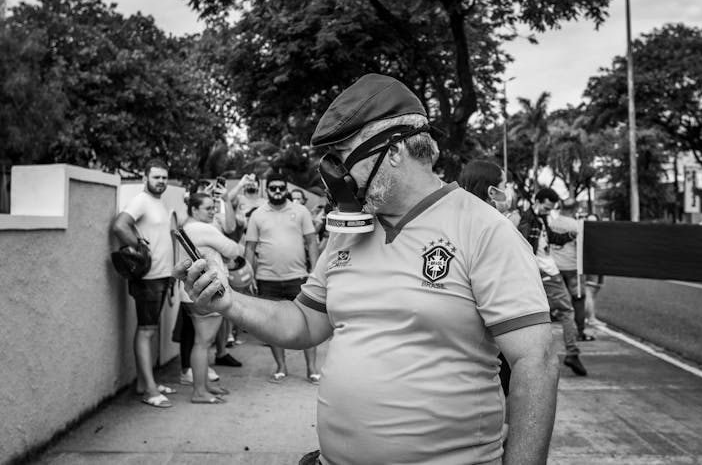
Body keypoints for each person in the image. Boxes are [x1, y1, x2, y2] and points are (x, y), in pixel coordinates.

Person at [175, 73, 559, 464]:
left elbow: (535, 361)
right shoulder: (349, 232)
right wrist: (228, 302)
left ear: (393, 150)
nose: (335, 177)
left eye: (343, 158)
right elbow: (304, 322)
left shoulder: (483, 229)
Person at [244, 172, 321, 383]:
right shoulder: (257, 214)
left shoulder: (301, 211)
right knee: (273, 326)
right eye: (273, 188)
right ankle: (281, 366)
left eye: (281, 187)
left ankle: (312, 369)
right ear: (266, 190)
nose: (277, 191)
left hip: (298, 276)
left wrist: (314, 271)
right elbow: (249, 247)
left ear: (286, 189)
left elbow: (311, 242)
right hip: (267, 278)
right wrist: (248, 274)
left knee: (308, 324)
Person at [112, 159, 176, 408]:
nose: (161, 181)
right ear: (145, 177)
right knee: (146, 330)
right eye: (156, 177)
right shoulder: (140, 200)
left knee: (150, 330)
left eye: (164, 177)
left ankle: (144, 383)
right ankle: (150, 391)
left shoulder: (158, 202)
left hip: (161, 276)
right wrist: (139, 248)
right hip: (147, 278)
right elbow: (120, 225)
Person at [457, 158, 519, 396]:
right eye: (506, 184)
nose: (509, 190)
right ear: (493, 191)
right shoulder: (497, 228)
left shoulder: (451, 221)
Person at [518, 187, 588, 376]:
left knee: (539, 311)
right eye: (547, 208)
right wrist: (536, 271)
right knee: (566, 310)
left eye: (551, 209)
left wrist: (569, 236)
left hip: (547, 269)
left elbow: (550, 239)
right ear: (537, 201)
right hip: (546, 271)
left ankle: (533, 355)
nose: (549, 212)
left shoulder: (541, 219)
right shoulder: (528, 219)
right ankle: (571, 352)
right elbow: (523, 246)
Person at [180, 192, 240, 403]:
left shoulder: (188, 228)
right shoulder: (202, 228)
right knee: (203, 343)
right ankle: (199, 391)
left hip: (193, 293)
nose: (213, 212)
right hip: (206, 292)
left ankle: (204, 386)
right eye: (208, 208)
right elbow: (233, 249)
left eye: (214, 207)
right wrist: (222, 249)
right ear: (194, 209)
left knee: (202, 341)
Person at [548, 198, 594, 341]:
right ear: (575, 209)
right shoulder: (576, 225)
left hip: (554, 267)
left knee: (554, 300)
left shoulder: (552, 223)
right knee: (578, 299)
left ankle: (549, 333)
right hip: (573, 267)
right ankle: (580, 332)